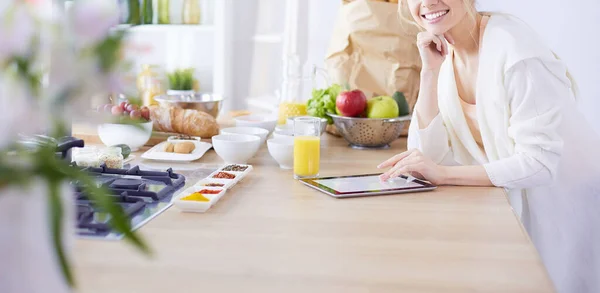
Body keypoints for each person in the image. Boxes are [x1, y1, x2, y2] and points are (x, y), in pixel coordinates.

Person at [377, 0, 600, 292]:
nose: (428, 2)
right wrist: (429, 72)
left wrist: (443, 174)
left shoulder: (515, 50)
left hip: (567, 208)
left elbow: (539, 163)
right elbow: (427, 155)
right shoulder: (446, 54)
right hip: (515, 211)